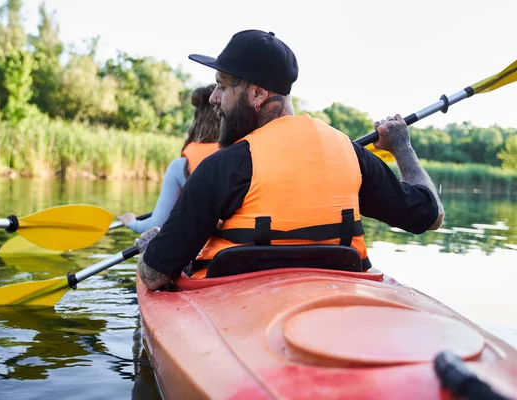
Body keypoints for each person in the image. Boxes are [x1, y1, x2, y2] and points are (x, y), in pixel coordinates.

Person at [134, 29, 445, 290]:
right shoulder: (350, 154)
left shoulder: (222, 167)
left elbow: (153, 275)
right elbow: (431, 217)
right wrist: (402, 147)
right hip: (338, 302)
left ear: (257, 94)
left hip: (236, 318)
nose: (214, 97)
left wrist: (151, 248)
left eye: (223, 85)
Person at [117, 84, 220, 234]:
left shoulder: (181, 167)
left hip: (204, 253)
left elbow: (157, 224)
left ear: (196, 118)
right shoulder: (242, 153)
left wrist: (131, 222)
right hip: (242, 248)